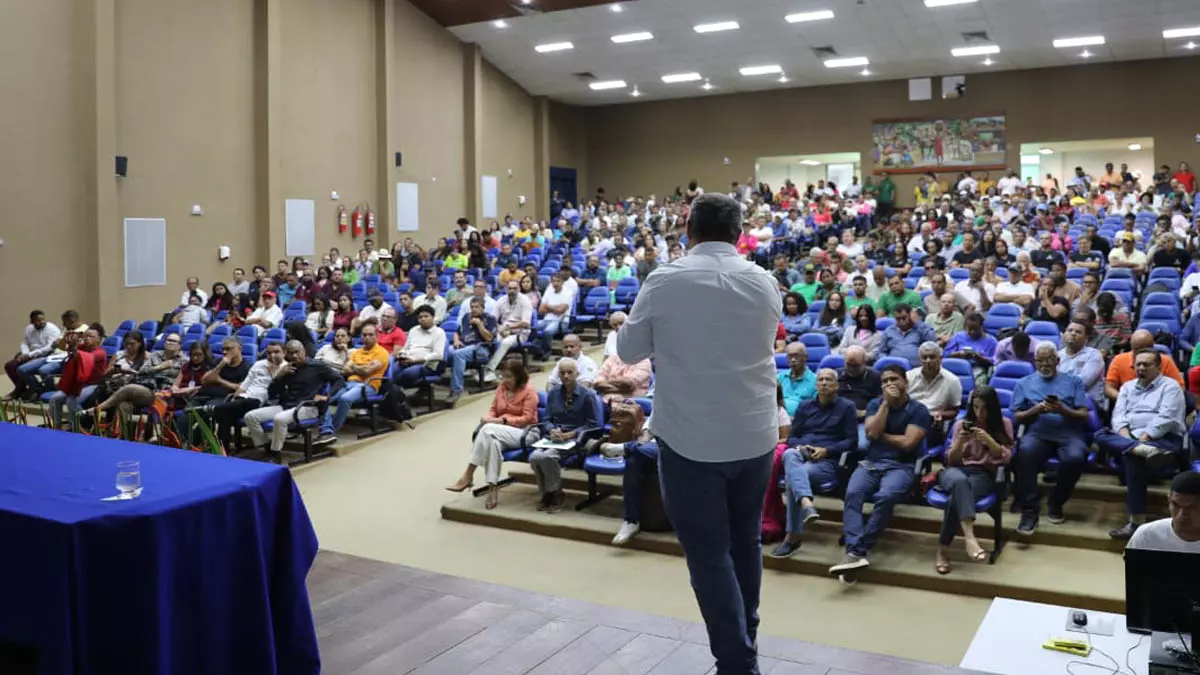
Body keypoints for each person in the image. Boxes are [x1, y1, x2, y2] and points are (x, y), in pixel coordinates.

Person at [616, 193, 781, 673]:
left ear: (688, 230)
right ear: (738, 233)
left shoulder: (665, 280)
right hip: (753, 436)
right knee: (744, 543)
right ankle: (745, 643)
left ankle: (736, 663)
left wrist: (632, 320)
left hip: (691, 441)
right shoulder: (765, 281)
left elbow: (628, 352)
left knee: (709, 554)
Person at [830, 364, 930, 579]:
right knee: (853, 494)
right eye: (885, 381)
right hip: (871, 463)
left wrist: (881, 436)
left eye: (894, 379)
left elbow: (907, 444)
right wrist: (885, 403)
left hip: (901, 466)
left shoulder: (919, 410)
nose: (889, 384)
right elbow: (871, 433)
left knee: (885, 497)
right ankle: (854, 552)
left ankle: (856, 551)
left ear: (906, 382)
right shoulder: (876, 403)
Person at [1095, 350, 1187, 540]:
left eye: (1147, 364)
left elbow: (1166, 418)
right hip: (1135, 440)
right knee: (1100, 434)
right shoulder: (1127, 387)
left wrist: (1141, 439)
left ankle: (1135, 522)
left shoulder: (1170, 387)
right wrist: (1128, 438)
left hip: (1164, 438)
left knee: (1131, 455)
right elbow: (1118, 416)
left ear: (1159, 367)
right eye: (1138, 364)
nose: (1141, 368)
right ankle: (1143, 451)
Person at [770, 369, 857, 558]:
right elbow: (792, 438)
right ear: (815, 385)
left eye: (829, 380)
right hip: (802, 454)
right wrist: (802, 447)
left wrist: (827, 451)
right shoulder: (805, 406)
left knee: (796, 477)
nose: (824, 383)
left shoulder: (847, 407)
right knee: (791, 453)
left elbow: (852, 441)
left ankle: (792, 537)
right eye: (821, 379)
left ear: (836, 385)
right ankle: (806, 503)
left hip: (826, 462)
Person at [1012, 344, 1092, 534]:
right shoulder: (1024, 383)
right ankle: (1029, 510)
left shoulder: (1074, 381)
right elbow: (1017, 416)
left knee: (1075, 457)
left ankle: (1056, 501)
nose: (1044, 364)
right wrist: (1036, 409)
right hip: (1039, 431)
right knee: (1024, 453)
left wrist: (1062, 409)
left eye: (1048, 360)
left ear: (1057, 360)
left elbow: (1084, 415)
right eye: (1039, 361)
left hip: (1069, 431)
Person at [935, 385, 1013, 574]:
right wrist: (960, 443)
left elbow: (1006, 458)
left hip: (983, 474)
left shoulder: (1004, 424)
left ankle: (943, 549)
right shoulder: (961, 424)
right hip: (955, 471)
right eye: (976, 407)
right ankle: (970, 537)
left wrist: (990, 441)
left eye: (985, 408)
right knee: (959, 482)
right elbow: (951, 461)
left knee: (957, 495)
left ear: (993, 407)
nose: (980, 413)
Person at [445, 358, 539, 509]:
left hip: (526, 432)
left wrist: (500, 421)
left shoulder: (529, 390)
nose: (505, 380)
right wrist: (490, 418)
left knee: (487, 430)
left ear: (518, 376)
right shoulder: (501, 387)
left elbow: (527, 418)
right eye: (503, 376)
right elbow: (493, 408)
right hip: (499, 431)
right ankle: (492, 488)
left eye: (509, 376)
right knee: (492, 443)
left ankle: (468, 474)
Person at [243, 339, 344, 455]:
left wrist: (327, 395)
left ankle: (275, 453)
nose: (294, 356)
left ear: (304, 351)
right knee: (250, 417)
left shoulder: (318, 366)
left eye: (297, 352)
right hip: (287, 405)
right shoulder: (288, 368)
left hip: (309, 407)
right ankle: (264, 446)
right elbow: (272, 393)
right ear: (287, 354)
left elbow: (339, 380)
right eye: (291, 353)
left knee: (279, 419)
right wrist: (279, 376)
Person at [527, 359, 602, 512]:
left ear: (577, 374)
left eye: (570, 373)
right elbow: (547, 419)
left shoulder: (588, 395)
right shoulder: (554, 393)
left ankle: (556, 493)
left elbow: (594, 425)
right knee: (534, 457)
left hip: (577, 439)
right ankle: (547, 493)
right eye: (562, 373)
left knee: (547, 457)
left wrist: (571, 434)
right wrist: (551, 430)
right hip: (554, 437)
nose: (566, 376)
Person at [210, 341, 283, 451]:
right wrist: (235, 397)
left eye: (276, 352)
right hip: (244, 398)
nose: (272, 355)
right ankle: (224, 450)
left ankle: (214, 412)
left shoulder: (285, 368)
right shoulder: (259, 364)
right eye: (269, 353)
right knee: (225, 415)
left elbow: (277, 392)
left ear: (284, 353)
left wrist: (274, 374)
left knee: (222, 410)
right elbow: (245, 385)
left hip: (261, 402)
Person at [46, 327, 107, 429]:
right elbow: (62, 347)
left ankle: (77, 425)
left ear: (99, 339)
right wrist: (67, 338)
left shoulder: (100, 352)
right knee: (55, 399)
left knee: (71, 401)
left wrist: (74, 347)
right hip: (77, 384)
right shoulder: (82, 347)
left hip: (93, 384)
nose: (87, 338)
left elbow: (84, 357)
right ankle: (56, 425)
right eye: (85, 336)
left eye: (91, 336)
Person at [1126, 471, 1200, 552]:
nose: (1181, 514)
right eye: (1176, 505)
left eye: (1191, 507)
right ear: (1168, 500)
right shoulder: (1147, 535)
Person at [906, 342, 962, 447]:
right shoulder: (908, 377)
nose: (928, 361)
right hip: (908, 418)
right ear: (919, 359)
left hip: (932, 422)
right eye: (924, 357)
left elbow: (955, 410)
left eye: (932, 357)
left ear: (940, 358)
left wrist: (941, 415)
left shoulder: (952, 381)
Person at [1104, 329, 1184, 401]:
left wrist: (1162, 400)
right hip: (1129, 404)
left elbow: (1180, 387)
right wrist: (1123, 398)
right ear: (1131, 347)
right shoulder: (1119, 360)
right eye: (1138, 350)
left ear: (1153, 346)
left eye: (1146, 349)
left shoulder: (1165, 361)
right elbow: (1108, 388)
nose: (1142, 354)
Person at [445, 298, 497, 406]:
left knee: (459, 354)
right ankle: (427, 385)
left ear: (483, 308)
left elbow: (489, 339)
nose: (473, 309)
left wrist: (479, 325)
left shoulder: (490, 318)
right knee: (444, 351)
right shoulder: (466, 317)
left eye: (476, 307)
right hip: (464, 345)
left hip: (481, 349)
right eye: (472, 307)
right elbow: (457, 332)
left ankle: (456, 390)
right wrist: (456, 340)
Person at [4, 310, 63, 401]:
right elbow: (25, 343)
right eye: (38, 320)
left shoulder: (52, 329)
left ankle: (23, 391)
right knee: (10, 366)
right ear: (32, 321)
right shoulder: (29, 328)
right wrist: (25, 354)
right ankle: (29, 388)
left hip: (45, 354)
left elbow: (50, 347)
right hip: (30, 354)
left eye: (43, 319)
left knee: (22, 368)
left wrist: (31, 355)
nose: (42, 322)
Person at [483, 281, 533, 382]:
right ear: (506, 289)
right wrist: (499, 328)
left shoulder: (525, 301)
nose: (512, 291)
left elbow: (525, 323)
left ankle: (490, 370)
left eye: (515, 288)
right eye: (510, 288)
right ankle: (481, 367)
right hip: (503, 331)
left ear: (519, 289)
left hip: (520, 333)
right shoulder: (501, 300)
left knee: (505, 342)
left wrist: (507, 327)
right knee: (489, 338)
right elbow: (492, 320)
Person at [392, 306, 447, 387]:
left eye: (426, 316)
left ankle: (395, 391)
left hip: (426, 365)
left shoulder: (439, 332)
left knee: (408, 373)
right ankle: (395, 391)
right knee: (392, 370)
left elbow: (438, 355)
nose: (423, 319)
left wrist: (415, 360)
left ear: (433, 317)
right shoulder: (414, 330)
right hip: (408, 361)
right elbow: (405, 348)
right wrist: (402, 355)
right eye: (420, 317)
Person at [1057, 321, 1105, 409]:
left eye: (1078, 332)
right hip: (1062, 399)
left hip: (1088, 404)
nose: (1073, 333)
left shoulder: (1094, 355)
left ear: (1086, 337)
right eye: (1070, 330)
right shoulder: (1057, 355)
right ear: (1064, 334)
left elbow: (1083, 383)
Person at [944, 312, 997, 380]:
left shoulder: (991, 341)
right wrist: (959, 354)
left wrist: (978, 357)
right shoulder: (958, 336)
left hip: (978, 369)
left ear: (981, 327)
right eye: (969, 329)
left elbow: (995, 361)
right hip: (957, 367)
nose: (972, 332)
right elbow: (945, 354)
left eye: (975, 329)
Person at [536, 273, 575, 357]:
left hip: (561, 320)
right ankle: (538, 350)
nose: (555, 283)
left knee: (547, 331)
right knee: (532, 328)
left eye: (558, 281)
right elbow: (540, 310)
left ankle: (547, 352)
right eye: (553, 281)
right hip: (546, 319)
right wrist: (555, 308)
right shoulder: (549, 290)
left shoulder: (568, 292)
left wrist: (548, 306)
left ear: (562, 282)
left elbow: (560, 310)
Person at [777, 341, 816, 416]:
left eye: (796, 356)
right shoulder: (779, 377)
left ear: (806, 357)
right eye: (790, 356)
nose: (793, 360)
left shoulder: (815, 380)